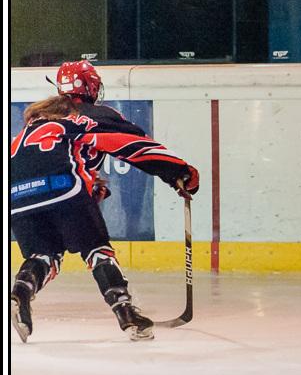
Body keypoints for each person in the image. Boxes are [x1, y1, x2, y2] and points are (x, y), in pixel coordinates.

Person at [10, 60, 199, 342]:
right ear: (92, 87)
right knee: (97, 250)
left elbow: (40, 163)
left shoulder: (36, 122)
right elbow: (133, 146)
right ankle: (128, 315)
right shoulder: (92, 114)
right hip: (64, 189)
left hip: (16, 197)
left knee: (43, 256)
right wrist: (179, 172)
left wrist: (90, 186)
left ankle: (19, 293)